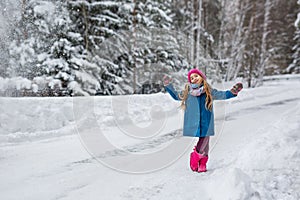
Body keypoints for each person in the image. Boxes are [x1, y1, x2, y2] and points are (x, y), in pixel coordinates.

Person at [163, 68, 243, 173]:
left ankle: (199, 160)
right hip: (194, 121)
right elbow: (176, 96)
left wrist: (233, 92)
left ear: (202, 78)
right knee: (204, 140)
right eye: (191, 78)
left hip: (206, 121)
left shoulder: (208, 92)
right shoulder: (188, 93)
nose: (194, 79)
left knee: (205, 139)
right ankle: (198, 159)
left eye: (196, 76)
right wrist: (168, 86)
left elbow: (222, 95)